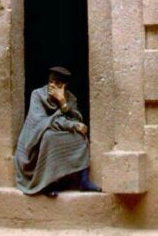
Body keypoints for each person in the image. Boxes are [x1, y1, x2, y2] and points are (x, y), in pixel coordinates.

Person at [14, 66, 101, 196]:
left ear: (65, 85)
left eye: (57, 83)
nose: (53, 86)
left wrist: (62, 101)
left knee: (80, 137)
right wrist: (71, 125)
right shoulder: (37, 95)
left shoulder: (70, 98)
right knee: (49, 136)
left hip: (57, 132)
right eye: (51, 82)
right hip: (35, 140)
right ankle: (48, 182)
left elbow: (76, 118)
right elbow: (41, 123)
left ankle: (84, 180)